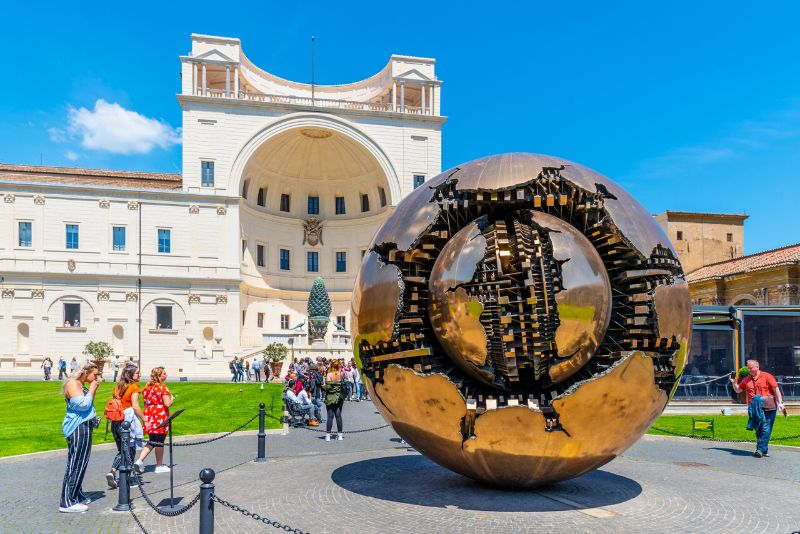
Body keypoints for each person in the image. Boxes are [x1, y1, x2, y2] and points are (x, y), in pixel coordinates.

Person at [59, 361, 101, 513]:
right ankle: (67, 502)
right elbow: (83, 405)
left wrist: (92, 390)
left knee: (81, 462)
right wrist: (92, 389)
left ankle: (76, 494)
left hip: (83, 426)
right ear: (85, 371)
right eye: (94, 374)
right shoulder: (73, 383)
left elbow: (88, 405)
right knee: (76, 463)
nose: (97, 377)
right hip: (77, 427)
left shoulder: (79, 384)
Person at [730, 359, 785, 457]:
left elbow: (776, 389)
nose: (749, 369)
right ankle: (764, 449)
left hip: (768, 406)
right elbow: (738, 390)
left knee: (766, 427)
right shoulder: (746, 379)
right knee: (758, 429)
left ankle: (760, 449)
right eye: (748, 368)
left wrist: (780, 403)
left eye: (750, 368)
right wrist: (734, 382)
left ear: (757, 367)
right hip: (754, 408)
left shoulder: (767, 376)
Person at [106, 366, 145, 489]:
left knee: (122, 449)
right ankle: (126, 479)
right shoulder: (134, 387)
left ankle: (113, 471)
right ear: (131, 375)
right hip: (127, 423)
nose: (139, 375)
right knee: (129, 449)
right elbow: (135, 406)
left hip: (115, 421)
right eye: (137, 373)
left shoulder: (118, 386)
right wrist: (145, 419)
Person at [136, 367, 174, 473]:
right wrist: (172, 399)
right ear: (159, 375)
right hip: (159, 414)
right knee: (160, 440)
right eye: (164, 374)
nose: (166, 375)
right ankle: (159, 465)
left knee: (152, 440)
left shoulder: (147, 387)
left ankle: (139, 461)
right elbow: (167, 404)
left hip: (149, 414)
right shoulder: (162, 388)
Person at [324, 359, 345, 441]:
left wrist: (323, 386)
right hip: (339, 396)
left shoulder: (329, 374)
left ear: (331, 365)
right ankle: (340, 435)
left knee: (330, 416)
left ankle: (328, 436)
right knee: (338, 415)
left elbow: (328, 388)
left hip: (330, 397)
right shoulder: (341, 374)